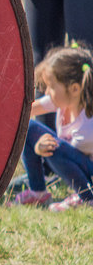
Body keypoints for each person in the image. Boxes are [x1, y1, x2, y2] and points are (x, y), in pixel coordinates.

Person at [14, 46, 93, 210]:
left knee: (53, 147)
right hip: (75, 162)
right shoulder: (66, 100)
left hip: (88, 174)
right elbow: (26, 111)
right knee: (26, 126)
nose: (47, 92)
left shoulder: (87, 127)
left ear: (74, 89)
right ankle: (38, 192)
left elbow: (65, 155)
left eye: (51, 86)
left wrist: (41, 147)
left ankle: (86, 197)